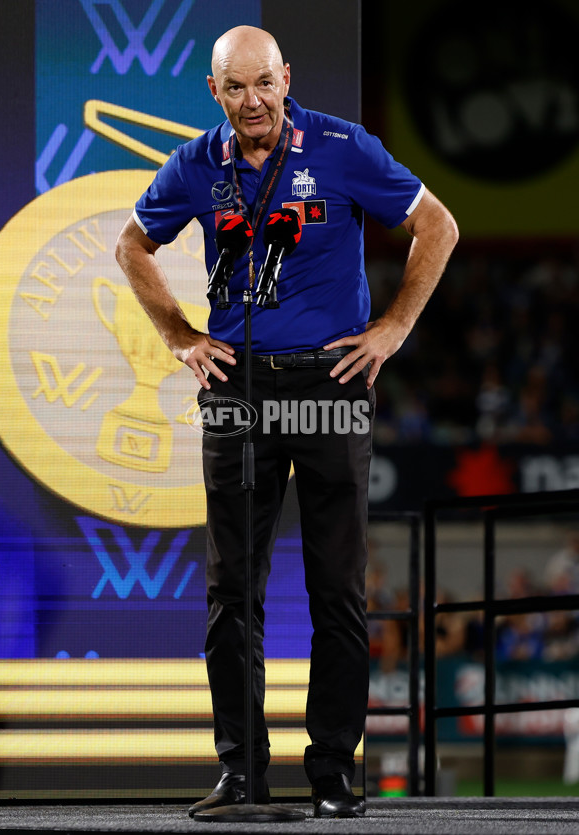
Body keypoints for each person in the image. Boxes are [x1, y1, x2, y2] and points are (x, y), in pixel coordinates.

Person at [116, 25, 458, 818]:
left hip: (330, 384)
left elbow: (435, 224)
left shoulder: (344, 147)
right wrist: (178, 334)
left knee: (336, 586)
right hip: (237, 390)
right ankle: (243, 773)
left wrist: (395, 327)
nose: (253, 101)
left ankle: (334, 771)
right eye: (234, 88)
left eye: (264, 83)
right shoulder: (197, 164)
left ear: (286, 77)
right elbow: (133, 244)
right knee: (232, 589)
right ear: (213, 92)